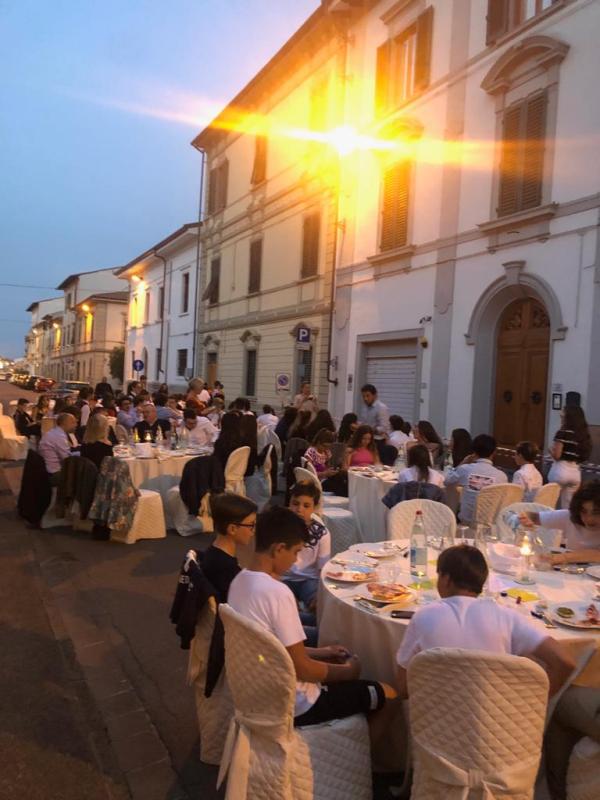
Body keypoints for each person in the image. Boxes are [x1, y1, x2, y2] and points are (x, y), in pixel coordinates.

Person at [227, 506, 395, 727]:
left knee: (333, 660)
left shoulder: (239, 581)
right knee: (388, 694)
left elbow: (273, 647)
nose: (295, 560)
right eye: (296, 552)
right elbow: (303, 669)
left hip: (256, 693)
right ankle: (356, 749)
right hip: (293, 703)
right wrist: (348, 672)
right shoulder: (277, 593)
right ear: (279, 549)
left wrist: (323, 652)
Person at [396, 545, 575, 700]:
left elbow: (403, 689)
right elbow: (565, 662)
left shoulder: (424, 616)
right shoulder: (508, 617)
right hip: (499, 722)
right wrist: (536, 703)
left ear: (446, 579)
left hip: (434, 722)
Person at [520, 480, 600, 565]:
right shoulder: (569, 517)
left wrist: (562, 558)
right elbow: (532, 516)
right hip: (573, 570)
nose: (589, 518)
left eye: (596, 513)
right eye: (584, 511)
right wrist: (525, 518)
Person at [202, 493, 258, 601]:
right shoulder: (227, 570)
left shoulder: (213, 552)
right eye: (251, 525)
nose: (253, 531)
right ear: (232, 529)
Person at [283, 481, 331, 609]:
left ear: (314, 508)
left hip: (309, 580)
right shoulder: (280, 528)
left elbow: (323, 568)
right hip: (283, 578)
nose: (299, 510)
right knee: (286, 606)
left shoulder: (322, 533)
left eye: (306, 506)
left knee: (319, 606)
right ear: (289, 503)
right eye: (295, 504)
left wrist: (320, 595)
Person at [445, 434, 507, 523]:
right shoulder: (502, 476)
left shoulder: (465, 469)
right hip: (489, 522)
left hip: (466, 521)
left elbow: (447, 481)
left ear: (474, 451)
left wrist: (463, 462)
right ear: (494, 452)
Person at [547, 405, 592, 509]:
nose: (560, 414)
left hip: (560, 470)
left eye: (563, 411)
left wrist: (550, 450)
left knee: (552, 504)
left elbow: (557, 455)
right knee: (568, 508)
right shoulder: (582, 435)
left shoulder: (562, 432)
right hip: (575, 472)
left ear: (569, 415)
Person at [304, 429, 348, 496]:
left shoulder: (326, 452)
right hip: (316, 481)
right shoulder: (311, 452)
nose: (326, 448)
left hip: (324, 478)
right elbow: (309, 473)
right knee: (339, 483)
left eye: (328, 447)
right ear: (318, 442)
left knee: (342, 476)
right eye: (324, 446)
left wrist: (330, 471)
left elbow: (327, 466)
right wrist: (325, 473)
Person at [38, 412, 79, 484]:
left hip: (48, 470)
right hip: (54, 474)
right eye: (73, 422)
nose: (76, 425)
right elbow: (67, 459)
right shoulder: (59, 436)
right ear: (65, 423)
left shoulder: (55, 432)